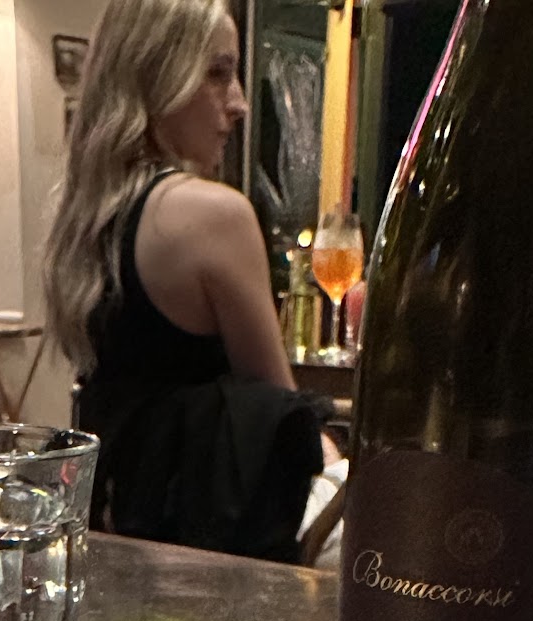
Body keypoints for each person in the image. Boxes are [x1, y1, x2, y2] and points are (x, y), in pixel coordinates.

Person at [44, 0, 328, 562]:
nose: (239, 103)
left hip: (108, 535)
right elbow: (280, 412)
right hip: (209, 552)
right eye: (218, 73)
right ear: (156, 76)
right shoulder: (213, 215)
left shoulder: (86, 222)